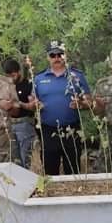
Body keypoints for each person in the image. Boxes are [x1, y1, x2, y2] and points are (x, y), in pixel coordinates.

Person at [32, 40, 92, 175]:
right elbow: (32, 101)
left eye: (60, 54)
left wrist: (81, 104)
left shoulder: (77, 76)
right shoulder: (38, 78)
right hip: (48, 131)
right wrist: (34, 105)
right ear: (48, 57)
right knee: (50, 171)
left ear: (65, 55)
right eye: (53, 55)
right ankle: (52, 196)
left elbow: (89, 100)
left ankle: (75, 194)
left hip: (72, 130)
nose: (57, 58)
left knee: (73, 169)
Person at [3, 56, 37, 169]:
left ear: (18, 72)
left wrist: (18, 103)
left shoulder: (28, 85)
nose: (11, 79)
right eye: (8, 76)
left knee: (26, 158)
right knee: (13, 160)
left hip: (25, 124)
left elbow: (33, 107)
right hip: (9, 125)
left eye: (13, 75)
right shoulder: (6, 87)